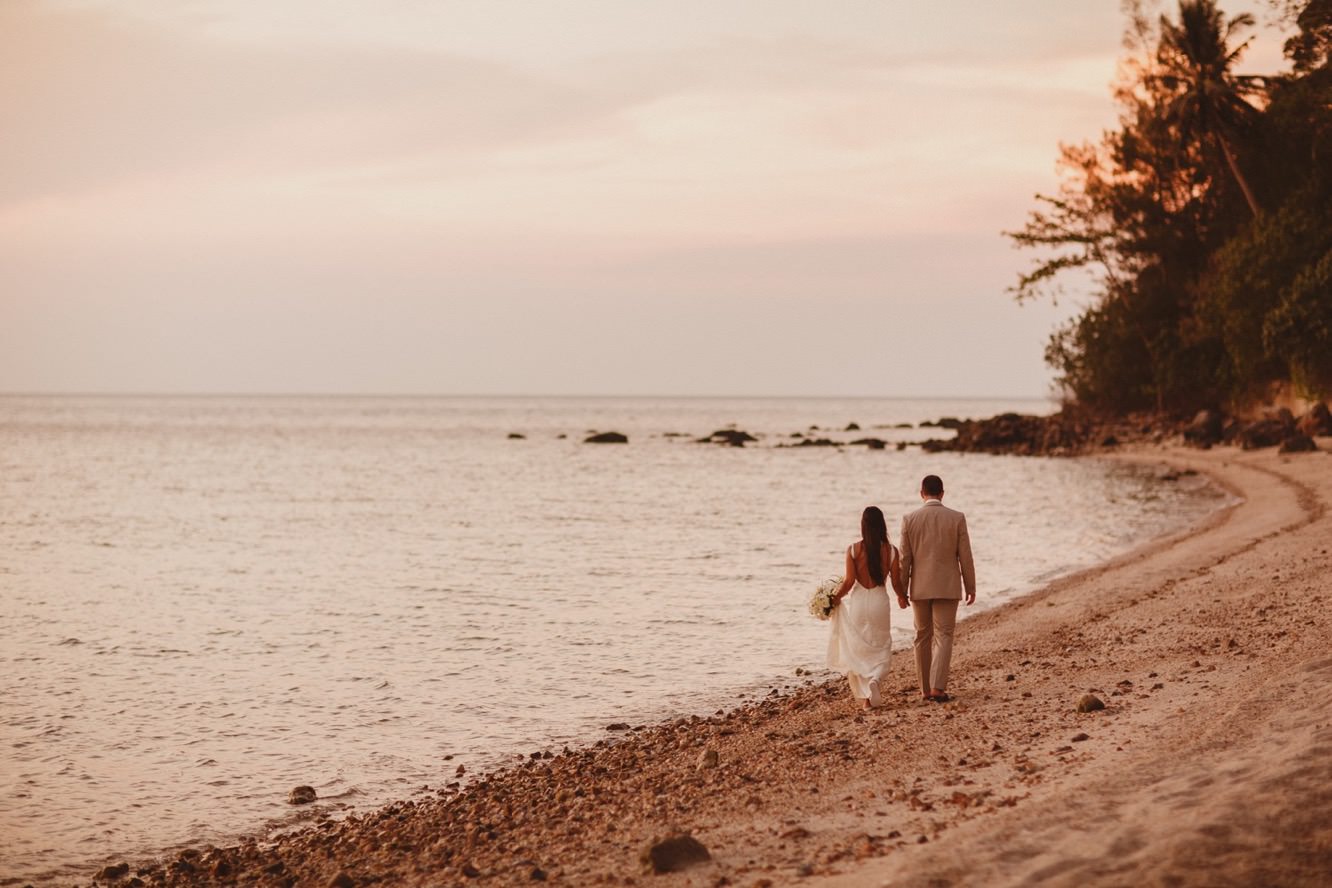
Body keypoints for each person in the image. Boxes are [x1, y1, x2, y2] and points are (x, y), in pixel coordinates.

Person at [899, 474, 976, 703]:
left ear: (921, 493)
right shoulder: (957, 518)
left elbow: (905, 559)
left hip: (919, 587)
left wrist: (901, 590)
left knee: (922, 636)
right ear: (942, 493)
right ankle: (938, 688)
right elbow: (966, 556)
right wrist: (970, 586)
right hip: (947, 586)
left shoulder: (909, 519)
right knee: (944, 635)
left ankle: (924, 690)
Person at [826, 506, 906, 709]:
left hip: (860, 603)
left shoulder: (853, 550)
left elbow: (849, 582)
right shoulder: (891, 551)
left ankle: (866, 701)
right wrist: (902, 597)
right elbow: (896, 582)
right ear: (882, 526)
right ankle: (876, 680)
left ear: (863, 526)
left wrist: (833, 599)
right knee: (881, 646)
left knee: (859, 649)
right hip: (880, 601)